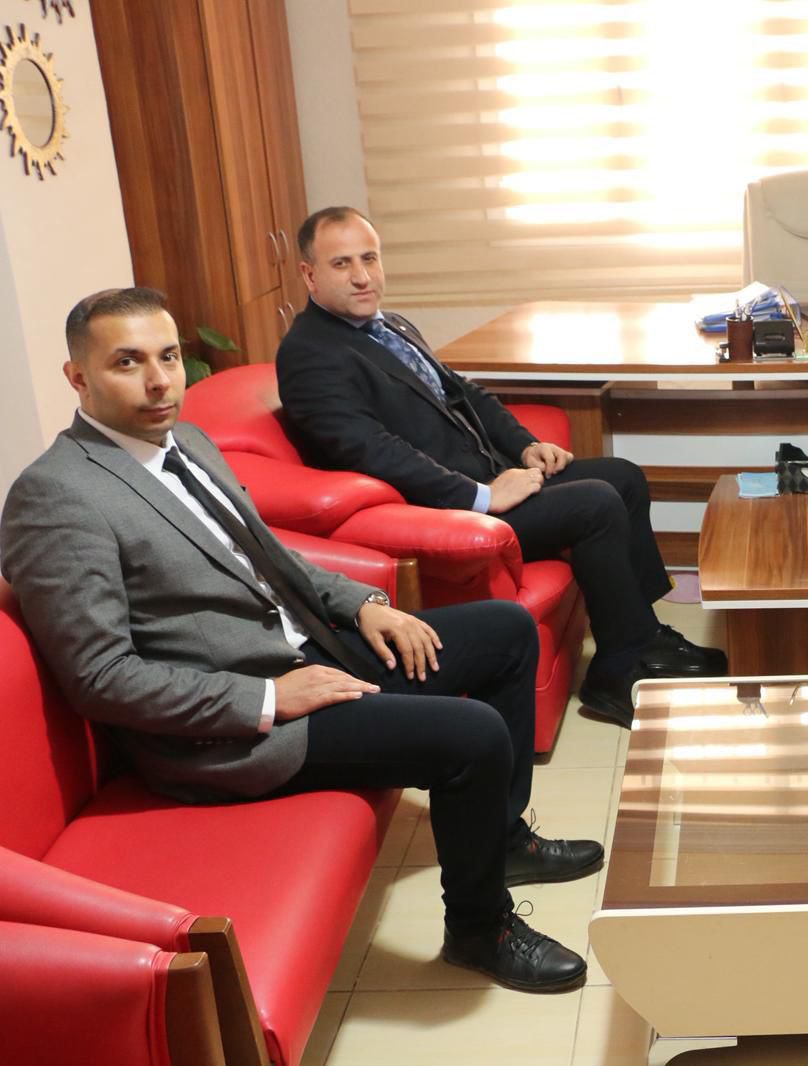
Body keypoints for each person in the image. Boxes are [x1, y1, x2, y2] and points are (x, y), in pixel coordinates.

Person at [1, 287, 603, 994]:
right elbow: (100, 676)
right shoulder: (57, 496)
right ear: (78, 377)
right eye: (127, 362)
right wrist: (268, 697)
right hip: (228, 730)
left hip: (306, 649)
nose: (159, 380)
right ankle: (479, 928)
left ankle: (502, 841)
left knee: (505, 631)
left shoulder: (187, 443)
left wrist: (362, 604)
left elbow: (269, 558)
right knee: (470, 735)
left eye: (167, 357)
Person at [275, 207, 725, 727]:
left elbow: (465, 394)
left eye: (369, 258)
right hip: (443, 513)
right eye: (342, 264)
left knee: (623, 476)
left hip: (489, 476)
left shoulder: (389, 325)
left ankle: (642, 637)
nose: (362, 276)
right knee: (596, 503)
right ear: (309, 274)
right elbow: (374, 452)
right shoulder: (309, 354)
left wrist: (526, 446)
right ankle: (617, 674)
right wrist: (483, 496)